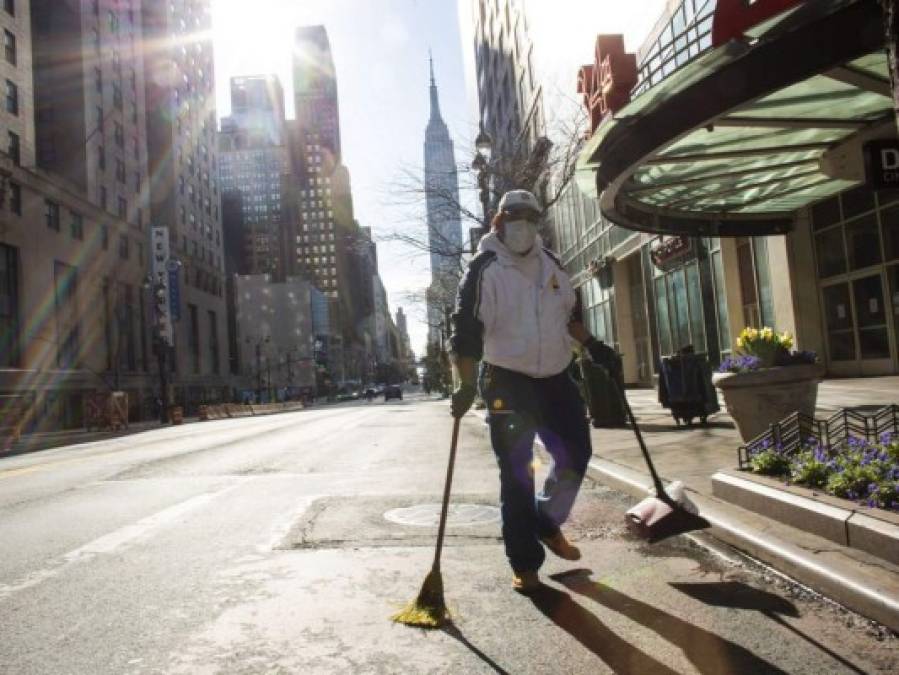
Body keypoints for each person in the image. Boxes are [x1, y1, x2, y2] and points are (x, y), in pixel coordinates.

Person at [449, 189, 617, 594]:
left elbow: (570, 319)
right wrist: (465, 384)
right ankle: (525, 563)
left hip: (556, 375)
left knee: (575, 454)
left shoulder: (553, 265)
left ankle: (545, 522)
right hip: (506, 378)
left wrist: (594, 347)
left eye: (530, 217)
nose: (522, 224)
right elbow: (466, 334)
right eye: (514, 216)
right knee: (519, 472)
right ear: (497, 222)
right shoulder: (483, 270)